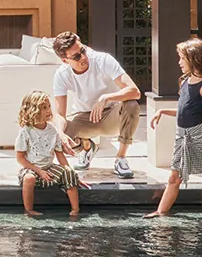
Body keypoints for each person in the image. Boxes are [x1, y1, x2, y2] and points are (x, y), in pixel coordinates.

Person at [147, 38, 202, 219]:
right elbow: (184, 110)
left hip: (200, 135)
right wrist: (162, 111)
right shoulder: (184, 82)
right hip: (181, 136)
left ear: (194, 59)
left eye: (182, 58)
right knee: (174, 177)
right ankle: (161, 211)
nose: (179, 62)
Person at [49, 31, 143, 178]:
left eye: (83, 50)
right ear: (65, 60)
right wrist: (60, 133)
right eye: (76, 56)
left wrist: (107, 97)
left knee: (131, 104)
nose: (83, 57)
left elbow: (134, 91)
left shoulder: (103, 60)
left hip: (111, 115)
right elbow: (60, 115)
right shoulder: (62, 74)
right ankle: (87, 148)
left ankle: (120, 159)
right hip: (84, 119)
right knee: (59, 134)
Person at [13, 90, 82, 218]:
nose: (48, 110)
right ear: (33, 110)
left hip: (49, 168)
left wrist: (72, 174)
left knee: (69, 172)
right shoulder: (26, 132)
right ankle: (29, 210)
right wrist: (39, 171)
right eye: (44, 108)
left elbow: (59, 155)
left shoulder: (52, 130)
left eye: (49, 106)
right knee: (29, 179)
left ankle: (75, 209)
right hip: (31, 169)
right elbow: (20, 158)